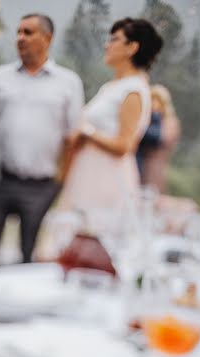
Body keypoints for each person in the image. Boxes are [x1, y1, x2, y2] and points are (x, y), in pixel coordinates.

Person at [0, 13, 84, 269]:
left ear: (47, 39)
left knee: (28, 254)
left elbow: (73, 138)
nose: (20, 38)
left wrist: (61, 182)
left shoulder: (68, 83)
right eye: (18, 32)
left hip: (41, 185)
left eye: (28, 32)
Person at [58, 18, 163, 230]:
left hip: (106, 179)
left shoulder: (133, 90)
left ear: (132, 47)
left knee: (92, 238)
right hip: (87, 171)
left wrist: (86, 132)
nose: (107, 45)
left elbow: (125, 145)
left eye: (115, 39)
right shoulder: (112, 87)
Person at [138, 84, 181, 193]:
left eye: (157, 101)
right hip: (141, 164)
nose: (153, 104)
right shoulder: (148, 119)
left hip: (156, 165)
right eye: (151, 100)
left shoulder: (170, 122)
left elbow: (162, 139)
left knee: (153, 196)